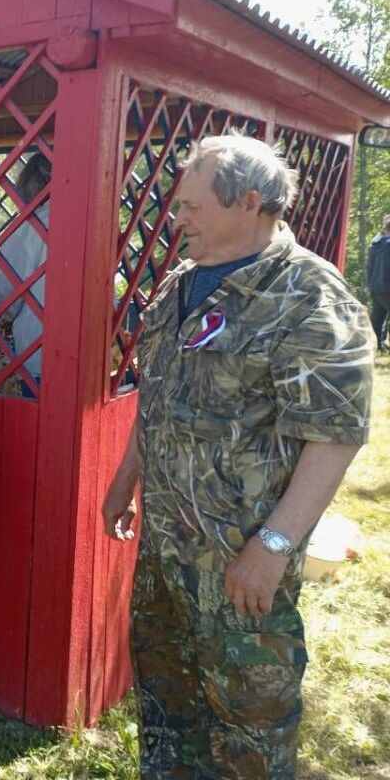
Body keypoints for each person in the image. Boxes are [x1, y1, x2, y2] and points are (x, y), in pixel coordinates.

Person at [101, 133, 373, 779]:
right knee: (169, 701)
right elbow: (159, 398)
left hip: (240, 563)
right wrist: (122, 482)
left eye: (192, 206)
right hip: (169, 552)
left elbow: (333, 434)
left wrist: (274, 545)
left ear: (249, 202)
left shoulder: (310, 297)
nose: (179, 219)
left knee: (251, 721)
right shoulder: (180, 287)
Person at [0, 153, 51, 387]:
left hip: (40, 353)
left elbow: (6, 289)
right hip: (96, 356)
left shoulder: (33, 226)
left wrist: (9, 316)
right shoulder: (97, 221)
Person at [366, 213, 390, 351]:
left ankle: (376, 345)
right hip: (387, 286)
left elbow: (369, 267)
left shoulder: (375, 244)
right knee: (379, 317)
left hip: (375, 286)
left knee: (378, 317)